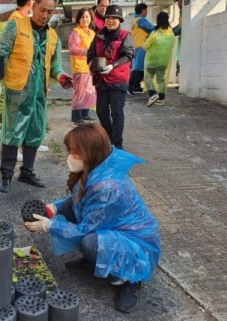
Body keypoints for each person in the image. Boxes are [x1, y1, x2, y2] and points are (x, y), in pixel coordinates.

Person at [25, 124, 161, 313]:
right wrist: (54, 207)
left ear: (89, 153)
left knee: (91, 242)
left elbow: (86, 230)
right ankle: (95, 261)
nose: (70, 157)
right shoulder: (98, 166)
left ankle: (129, 279)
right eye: (70, 151)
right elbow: (78, 200)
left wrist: (50, 225)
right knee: (66, 208)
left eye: (74, 153)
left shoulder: (108, 188)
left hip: (134, 243)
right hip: (110, 226)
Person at [0, 0, 73, 193]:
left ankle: (27, 172)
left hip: (39, 93)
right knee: (12, 132)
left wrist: (61, 77)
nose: (45, 15)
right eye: (42, 9)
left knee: (35, 132)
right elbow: (1, 54)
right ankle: (6, 175)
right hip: (18, 90)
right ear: (34, 5)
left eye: (50, 12)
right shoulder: (15, 26)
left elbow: (55, 65)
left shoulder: (53, 36)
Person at [87, 5, 134, 150]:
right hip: (102, 80)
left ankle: (117, 144)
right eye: (108, 17)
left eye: (114, 18)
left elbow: (128, 55)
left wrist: (113, 66)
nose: (110, 20)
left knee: (117, 112)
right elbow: (91, 53)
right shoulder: (99, 35)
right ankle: (108, 138)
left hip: (118, 80)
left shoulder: (126, 36)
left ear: (119, 20)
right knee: (101, 111)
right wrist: (92, 63)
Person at [68, 7, 96, 125]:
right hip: (80, 67)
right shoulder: (75, 32)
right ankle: (77, 117)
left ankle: (85, 113)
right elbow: (73, 49)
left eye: (87, 17)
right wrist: (87, 51)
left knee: (89, 91)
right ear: (78, 19)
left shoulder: (92, 33)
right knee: (79, 93)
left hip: (90, 67)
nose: (85, 19)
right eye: (83, 16)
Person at [144, 12, 176, 107]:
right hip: (164, 61)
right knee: (161, 79)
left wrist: (146, 40)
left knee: (148, 77)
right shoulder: (171, 34)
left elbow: (145, 46)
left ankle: (153, 95)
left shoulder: (154, 33)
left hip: (152, 60)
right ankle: (161, 99)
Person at [128, 3, 155, 96]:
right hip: (141, 46)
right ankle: (130, 86)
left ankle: (135, 86)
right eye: (146, 10)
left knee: (139, 67)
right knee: (139, 67)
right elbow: (152, 28)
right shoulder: (141, 20)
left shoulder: (133, 19)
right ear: (142, 10)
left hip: (135, 45)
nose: (146, 12)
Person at [172, 0, 183, 81]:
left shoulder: (185, 12)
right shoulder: (181, 13)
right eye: (178, 2)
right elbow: (179, 26)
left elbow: (182, 28)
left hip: (185, 40)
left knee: (181, 61)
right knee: (179, 60)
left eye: (180, 2)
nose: (179, 4)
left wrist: (171, 32)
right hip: (181, 40)